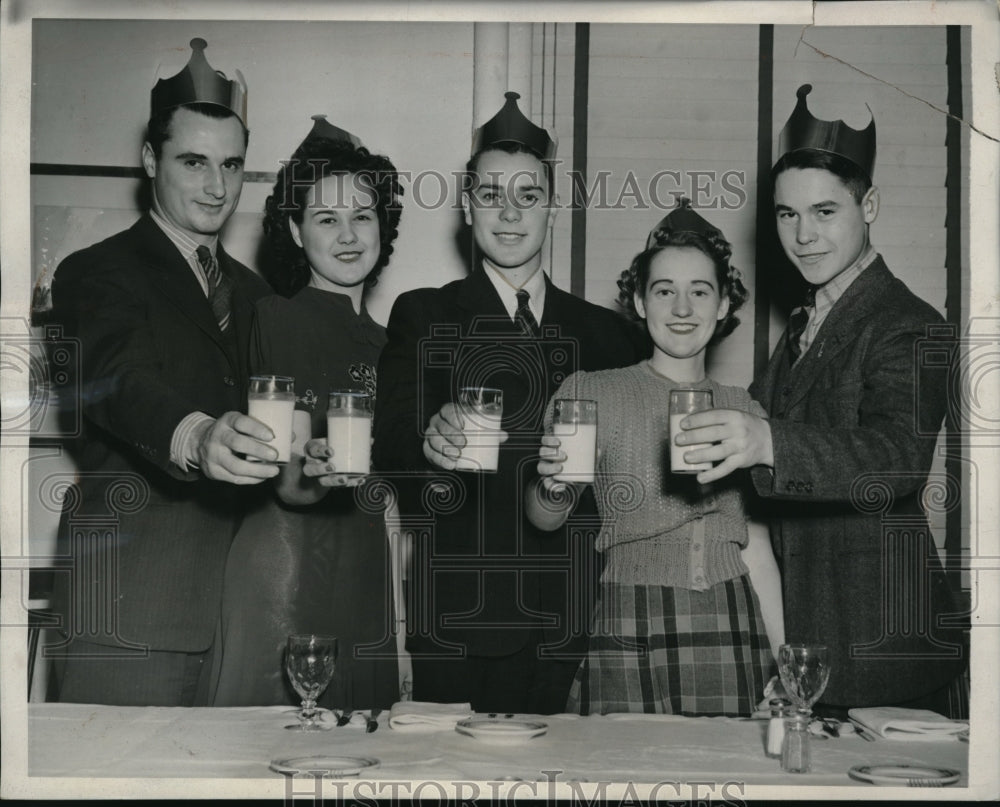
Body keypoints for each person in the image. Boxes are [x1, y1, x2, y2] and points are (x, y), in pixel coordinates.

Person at [677, 84, 967, 718]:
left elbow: (895, 459)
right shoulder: (807, 323)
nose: (803, 236)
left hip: (883, 644)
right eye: (787, 215)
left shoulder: (909, 323)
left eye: (825, 213)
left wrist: (766, 440)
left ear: (871, 206)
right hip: (812, 637)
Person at [373, 92, 649, 714]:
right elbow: (389, 442)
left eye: (528, 196)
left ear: (552, 207)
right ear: (468, 208)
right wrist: (429, 442)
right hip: (463, 617)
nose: (509, 213)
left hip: (586, 618)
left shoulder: (607, 334)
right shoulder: (425, 313)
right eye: (491, 195)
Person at [47, 39, 276, 706]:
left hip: (244, 622)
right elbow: (116, 377)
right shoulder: (92, 273)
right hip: (128, 614)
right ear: (150, 159)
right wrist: (198, 434)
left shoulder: (258, 296)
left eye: (232, 164)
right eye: (193, 161)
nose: (216, 186)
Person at [525, 201, 781, 716]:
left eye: (700, 292)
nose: (682, 309)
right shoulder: (591, 393)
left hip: (730, 620)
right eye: (665, 291)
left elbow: (754, 545)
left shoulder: (744, 409)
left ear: (724, 304)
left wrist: (784, 661)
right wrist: (551, 486)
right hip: (629, 618)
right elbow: (545, 517)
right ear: (640, 302)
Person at [211, 117, 403, 711]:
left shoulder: (390, 340)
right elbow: (291, 482)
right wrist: (312, 467)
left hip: (366, 563)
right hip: (289, 568)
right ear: (295, 232)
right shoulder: (278, 317)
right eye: (326, 219)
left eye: (362, 216)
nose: (347, 235)